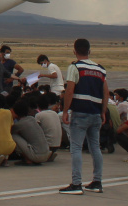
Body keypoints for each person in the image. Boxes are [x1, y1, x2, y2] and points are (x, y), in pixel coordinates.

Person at [59, 38, 108, 195]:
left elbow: (70, 90)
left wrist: (65, 110)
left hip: (80, 112)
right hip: (95, 113)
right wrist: (103, 111)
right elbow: (106, 93)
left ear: (74, 51)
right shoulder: (100, 69)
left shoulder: (75, 67)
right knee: (95, 147)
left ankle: (76, 183)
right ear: (89, 51)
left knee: (76, 148)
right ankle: (97, 181)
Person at [10, 99, 52, 165]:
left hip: (37, 155)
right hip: (46, 154)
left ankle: (28, 160)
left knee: (13, 136)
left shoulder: (19, 124)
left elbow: (9, 132)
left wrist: (11, 118)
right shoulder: (32, 119)